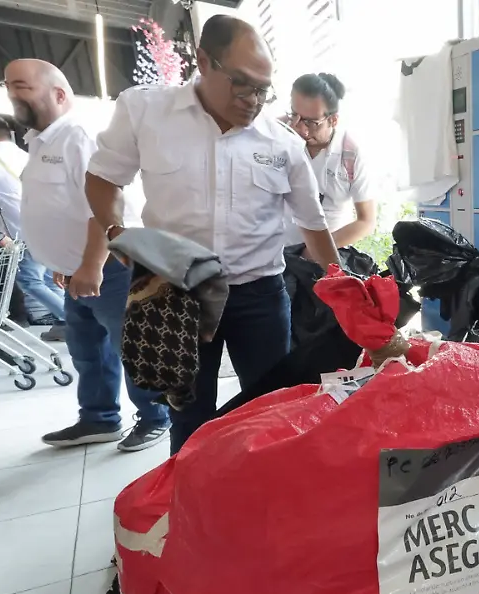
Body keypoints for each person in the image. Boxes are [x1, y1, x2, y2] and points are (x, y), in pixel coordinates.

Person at [82, 15, 340, 455]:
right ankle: (191, 492)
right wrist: (115, 230)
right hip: (176, 294)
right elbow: (104, 177)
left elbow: (313, 225)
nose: (253, 100)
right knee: (189, 415)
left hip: (259, 297)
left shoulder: (282, 144)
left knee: (272, 410)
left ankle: (262, 492)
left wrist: (343, 285)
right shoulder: (146, 111)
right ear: (203, 61)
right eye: (241, 83)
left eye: (263, 89)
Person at [4, 59, 172, 451]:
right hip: (79, 269)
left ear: (59, 94)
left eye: (22, 86)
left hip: (112, 265)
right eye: (8, 86)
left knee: (132, 345)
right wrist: (67, 262)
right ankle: (99, 418)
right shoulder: (41, 140)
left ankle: (156, 416)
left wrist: (91, 264)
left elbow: (105, 207)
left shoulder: (77, 137)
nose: (13, 94)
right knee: (87, 350)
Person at [0, 112, 68, 341]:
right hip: (51, 224)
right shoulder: (27, 155)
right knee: (49, 277)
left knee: (29, 280)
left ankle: (72, 320)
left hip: (25, 228)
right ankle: (64, 322)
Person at [285, 73, 376, 247]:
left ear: (333, 120)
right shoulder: (279, 136)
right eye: (294, 115)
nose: (301, 129)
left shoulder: (351, 154)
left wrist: (316, 251)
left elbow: (366, 221)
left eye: (311, 122)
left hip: (329, 251)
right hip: (279, 251)